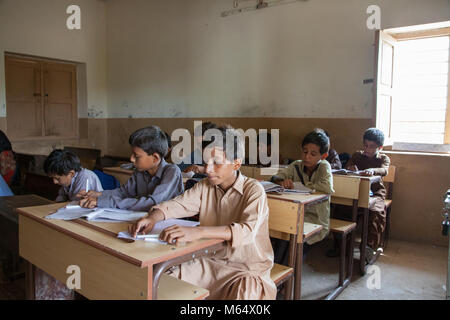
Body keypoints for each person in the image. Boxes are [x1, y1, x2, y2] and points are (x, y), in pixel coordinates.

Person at [130, 125, 276, 300]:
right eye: (206, 161)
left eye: (216, 162)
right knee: (163, 281)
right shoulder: (205, 186)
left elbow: (246, 231)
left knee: (246, 294)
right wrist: (152, 217)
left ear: (236, 163)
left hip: (246, 269)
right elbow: (178, 204)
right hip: (210, 262)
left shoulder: (254, 190)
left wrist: (198, 231)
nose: (208, 169)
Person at [79, 126, 183, 211]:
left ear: (155, 158)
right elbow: (124, 192)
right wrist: (98, 194)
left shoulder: (172, 172)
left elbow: (152, 203)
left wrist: (103, 201)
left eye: (136, 156)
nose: (131, 159)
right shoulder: (140, 171)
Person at [270, 129, 334, 264]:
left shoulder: (324, 167)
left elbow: (327, 187)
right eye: (305, 152)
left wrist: (303, 185)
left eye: (313, 154)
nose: (307, 157)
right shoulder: (296, 166)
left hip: (316, 221)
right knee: (283, 236)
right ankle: (279, 271)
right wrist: (282, 182)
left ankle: (286, 274)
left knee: (292, 244)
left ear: (323, 156)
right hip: (295, 217)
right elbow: (275, 177)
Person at [346, 127, 390, 256]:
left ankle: (368, 249)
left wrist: (373, 170)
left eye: (372, 146)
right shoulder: (357, 155)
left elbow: (384, 170)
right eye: (365, 145)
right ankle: (342, 245)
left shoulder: (383, 158)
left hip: (376, 192)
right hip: (357, 190)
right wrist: (350, 167)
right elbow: (348, 166)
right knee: (343, 209)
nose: (367, 149)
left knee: (375, 213)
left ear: (380, 147)